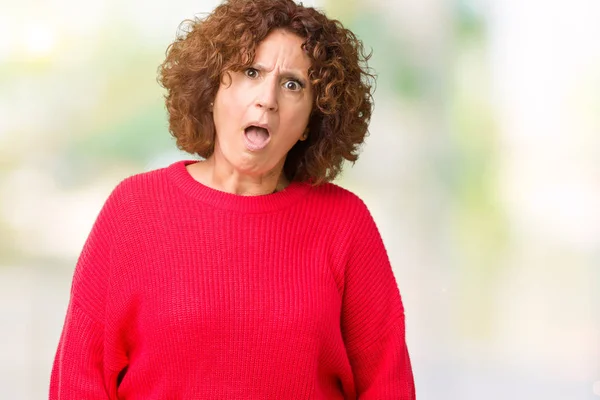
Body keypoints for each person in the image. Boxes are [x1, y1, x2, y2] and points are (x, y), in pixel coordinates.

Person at [49, 0, 416, 398]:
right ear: (212, 92)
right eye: (250, 72)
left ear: (313, 120)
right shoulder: (134, 209)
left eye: (293, 84)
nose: (267, 98)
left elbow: (388, 385)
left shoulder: (345, 223)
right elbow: (79, 379)